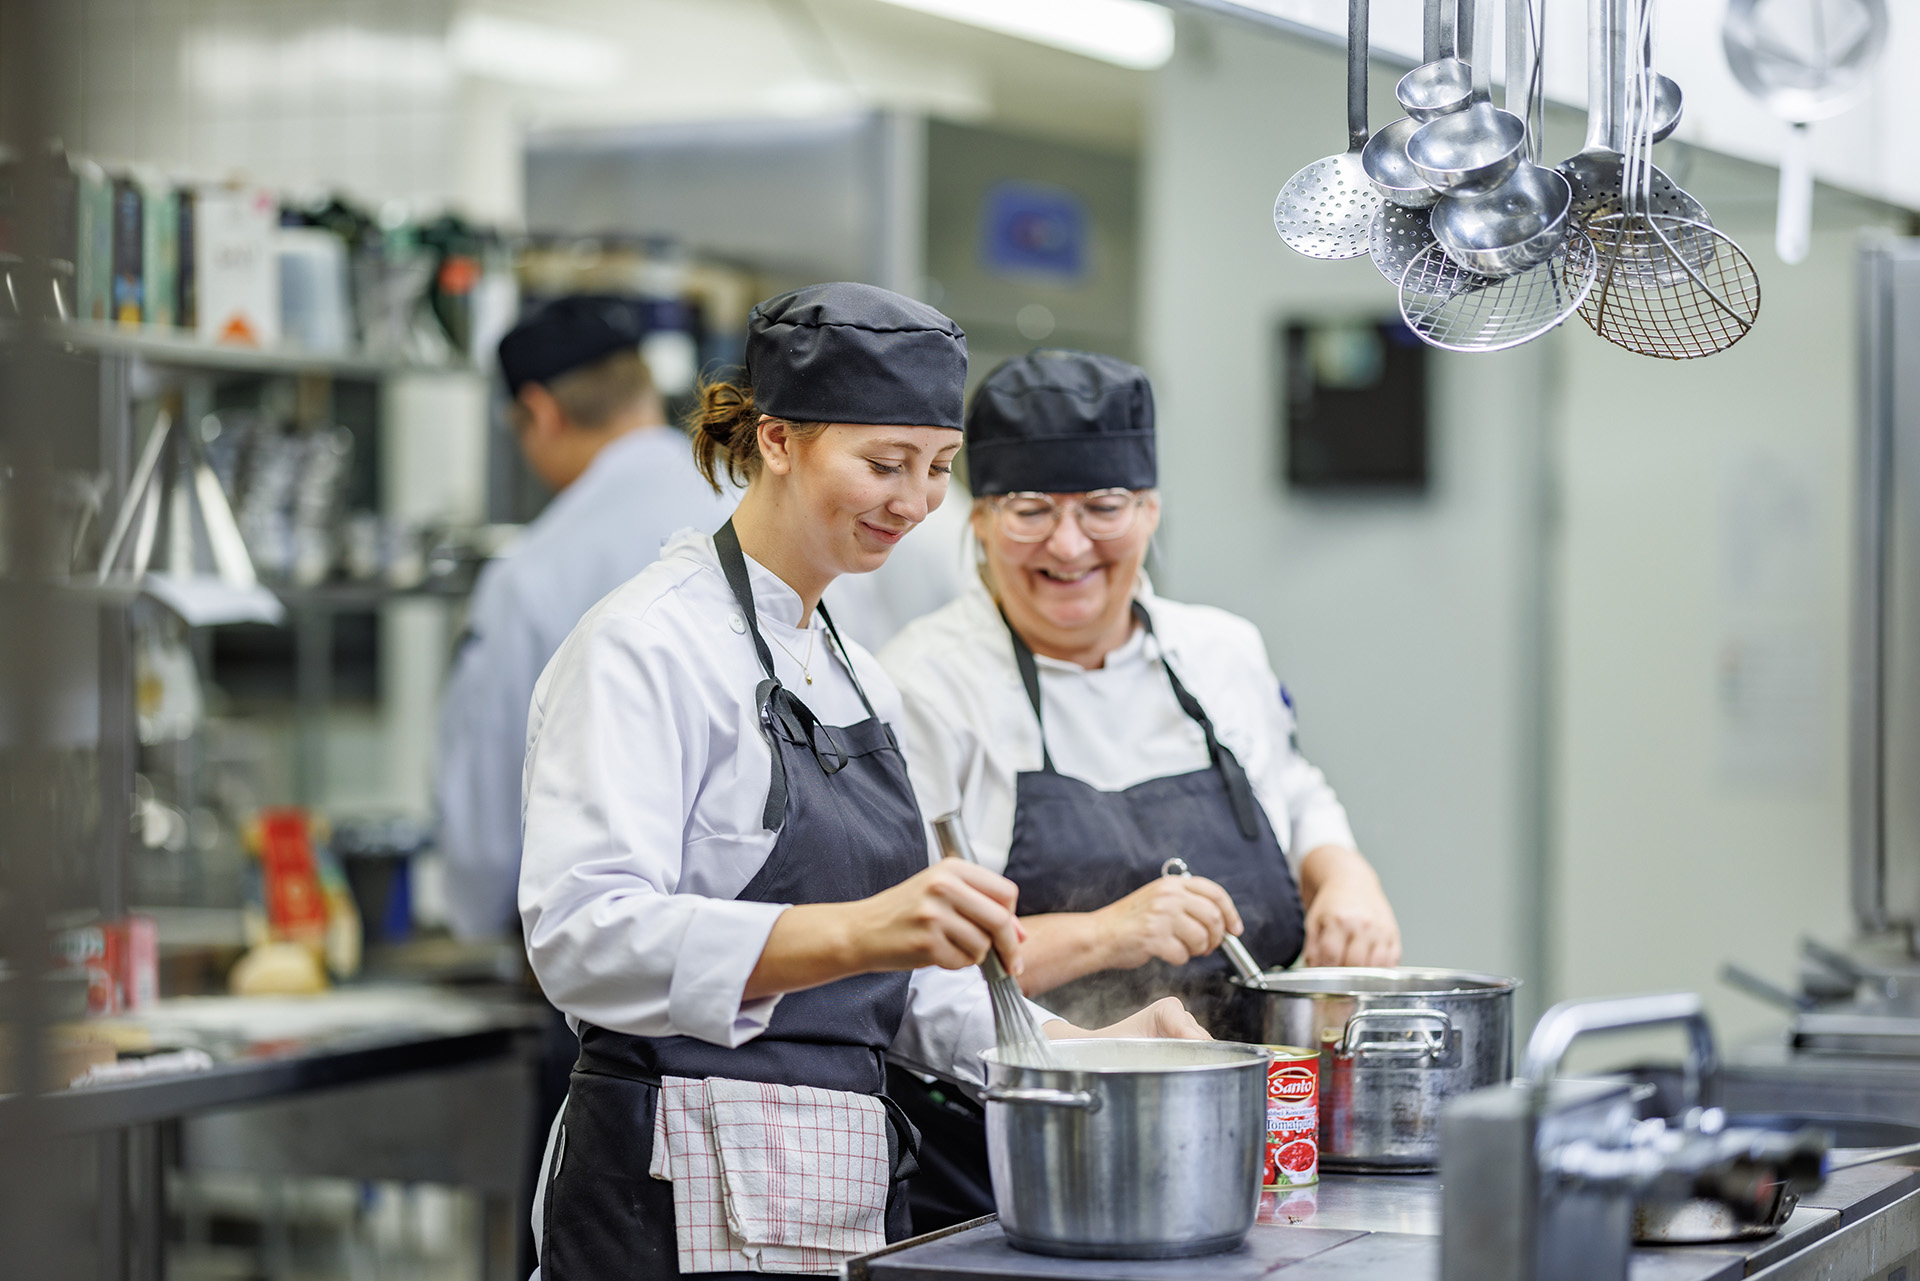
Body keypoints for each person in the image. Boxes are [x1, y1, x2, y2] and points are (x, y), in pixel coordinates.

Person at [518, 286, 1203, 1281]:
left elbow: (908, 990)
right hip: (669, 1190)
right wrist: (858, 929)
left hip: (832, 1195)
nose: (918, 503)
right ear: (779, 439)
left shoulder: (850, 668)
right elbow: (583, 938)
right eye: (885, 465)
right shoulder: (644, 645)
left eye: (936, 469)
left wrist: (1082, 1057)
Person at [878, 350, 1401, 1229]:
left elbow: (1293, 784)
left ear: (1150, 511)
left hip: (1252, 1144)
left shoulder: (1220, 652)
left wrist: (1344, 870)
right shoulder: (920, 688)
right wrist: (1106, 932)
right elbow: (905, 977)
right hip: (1022, 1160)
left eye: (1104, 508)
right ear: (978, 522)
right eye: (1031, 510)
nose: (1070, 544)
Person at [436, 295, 733, 941]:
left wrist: (479, 924)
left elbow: (487, 810)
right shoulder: (756, 506)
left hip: (618, 954)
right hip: (793, 942)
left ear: (539, 413)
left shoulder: (534, 572)